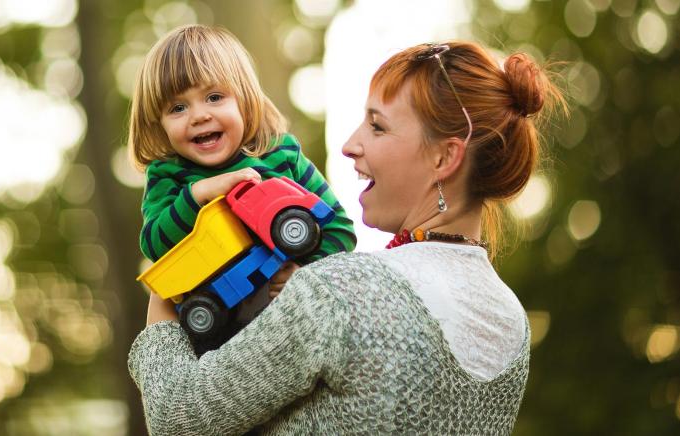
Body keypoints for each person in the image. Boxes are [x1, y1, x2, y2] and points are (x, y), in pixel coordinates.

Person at [129, 40, 565, 435]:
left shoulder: (339, 292)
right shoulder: (511, 322)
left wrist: (166, 288)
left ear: (444, 156)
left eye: (377, 126)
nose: (349, 146)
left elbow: (178, 419)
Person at [127, 24, 357, 341]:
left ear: (244, 99)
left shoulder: (281, 156)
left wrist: (305, 273)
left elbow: (340, 229)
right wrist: (198, 194)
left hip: (292, 324)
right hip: (218, 332)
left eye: (214, 97)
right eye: (178, 108)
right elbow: (154, 245)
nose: (198, 116)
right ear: (159, 124)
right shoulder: (169, 175)